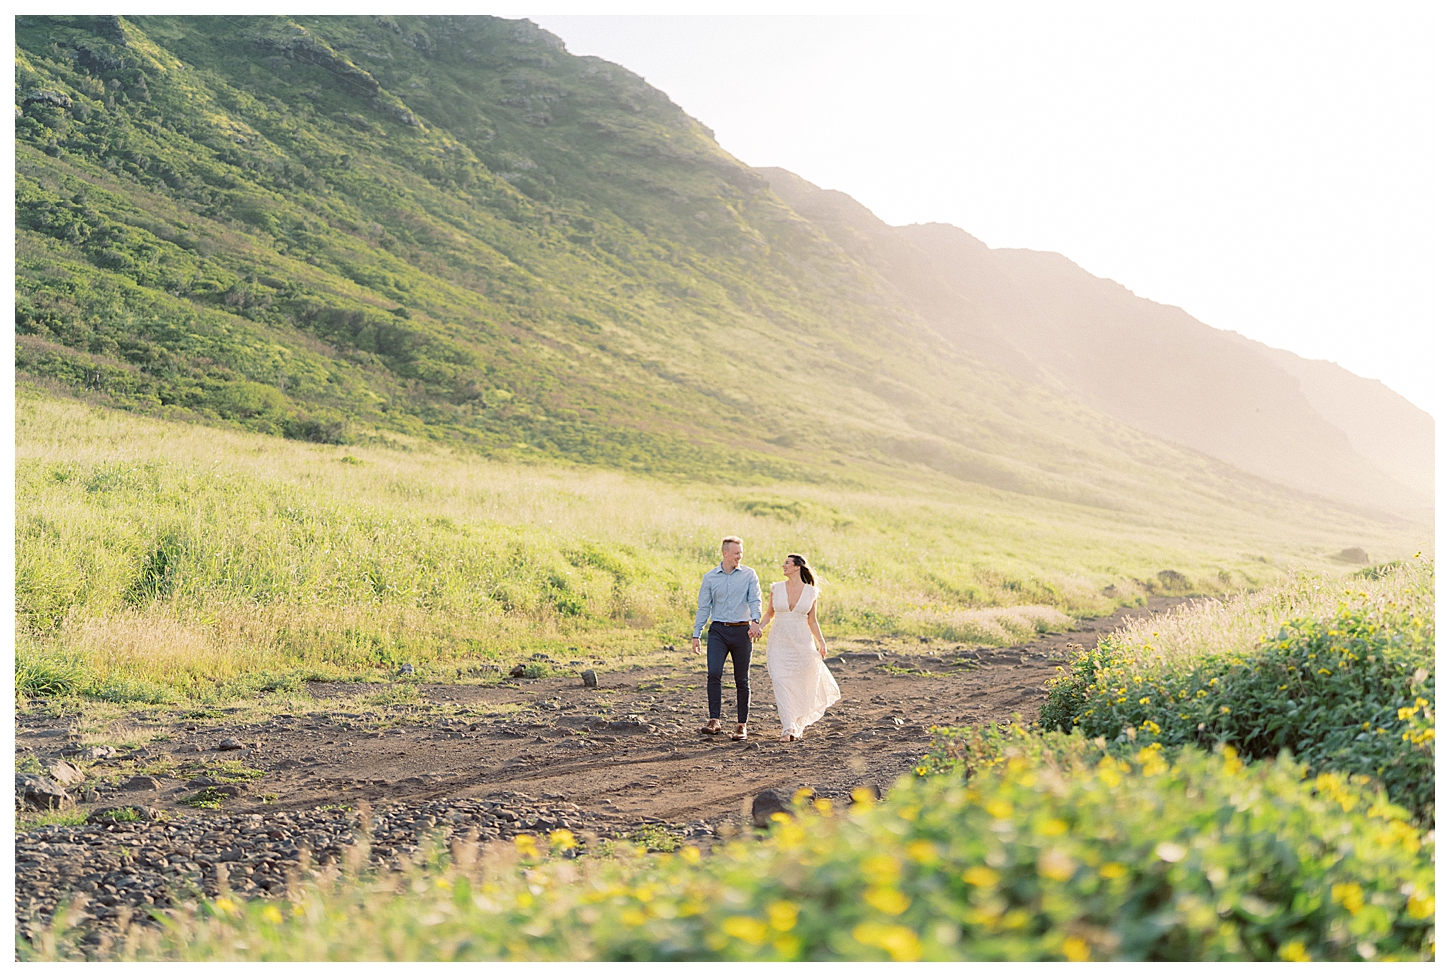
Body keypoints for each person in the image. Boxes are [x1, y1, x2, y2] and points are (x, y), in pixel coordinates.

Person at [760, 553, 840, 743]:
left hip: (802, 643)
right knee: (780, 681)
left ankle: (798, 723)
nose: (783, 565)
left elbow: (812, 621)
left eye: (787, 563)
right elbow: (769, 614)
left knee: (802, 684)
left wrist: (821, 642)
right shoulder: (776, 589)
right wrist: (759, 627)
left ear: (797, 567)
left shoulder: (811, 592)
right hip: (779, 642)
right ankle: (787, 726)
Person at [692, 535, 762, 741]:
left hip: (742, 631)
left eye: (741, 553)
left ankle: (741, 725)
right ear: (725, 553)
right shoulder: (710, 577)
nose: (740, 556)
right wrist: (697, 634)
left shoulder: (750, 575)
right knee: (714, 673)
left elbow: (755, 599)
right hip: (718, 631)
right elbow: (704, 607)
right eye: (736, 553)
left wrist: (756, 621)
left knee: (742, 678)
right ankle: (714, 720)